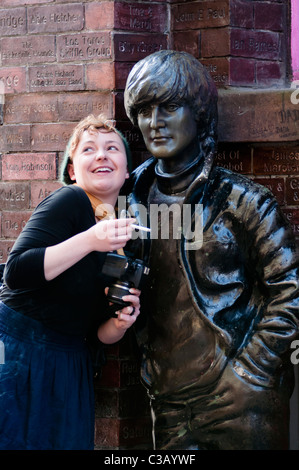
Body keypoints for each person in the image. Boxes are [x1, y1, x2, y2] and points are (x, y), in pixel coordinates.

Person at [123, 50, 299, 450]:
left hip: (239, 396)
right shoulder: (127, 199)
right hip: (167, 399)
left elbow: (291, 290)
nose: (155, 122)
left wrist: (252, 370)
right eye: (145, 110)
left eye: (169, 107)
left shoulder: (244, 201)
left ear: (199, 113)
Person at [0, 114, 141, 450]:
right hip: (19, 353)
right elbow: (17, 272)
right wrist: (91, 240)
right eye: (88, 149)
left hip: (68, 366)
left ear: (126, 172)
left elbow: (96, 334)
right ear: (73, 171)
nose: (102, 155)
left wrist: (120, 324)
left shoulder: (123, 238)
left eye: (112, 148)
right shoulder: (71, 201)